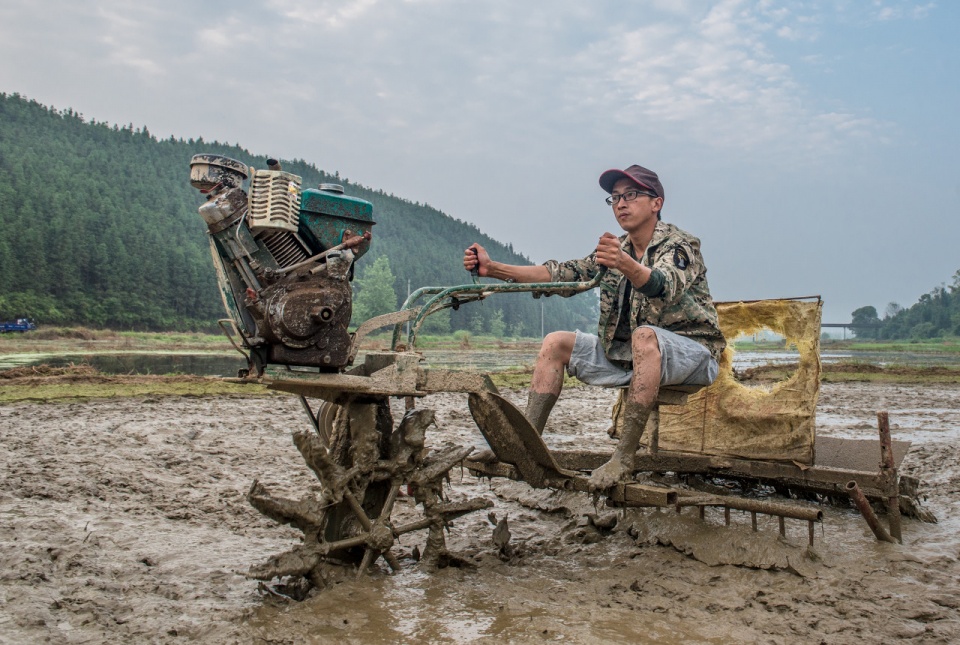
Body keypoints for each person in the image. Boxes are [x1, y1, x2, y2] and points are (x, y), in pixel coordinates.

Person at [463, 164, 725, 490]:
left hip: (693, 354)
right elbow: (562, 275)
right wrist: (493, 269)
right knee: (555, 343)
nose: (621, 204)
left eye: (631, 195)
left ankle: (624, 458)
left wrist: (624, 263)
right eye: (614, 198)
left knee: (645, 336)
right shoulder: (615, 250)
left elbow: (662, 284)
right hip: (632, 356)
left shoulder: (680, 245)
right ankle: (522, 449)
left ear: (656, 203)